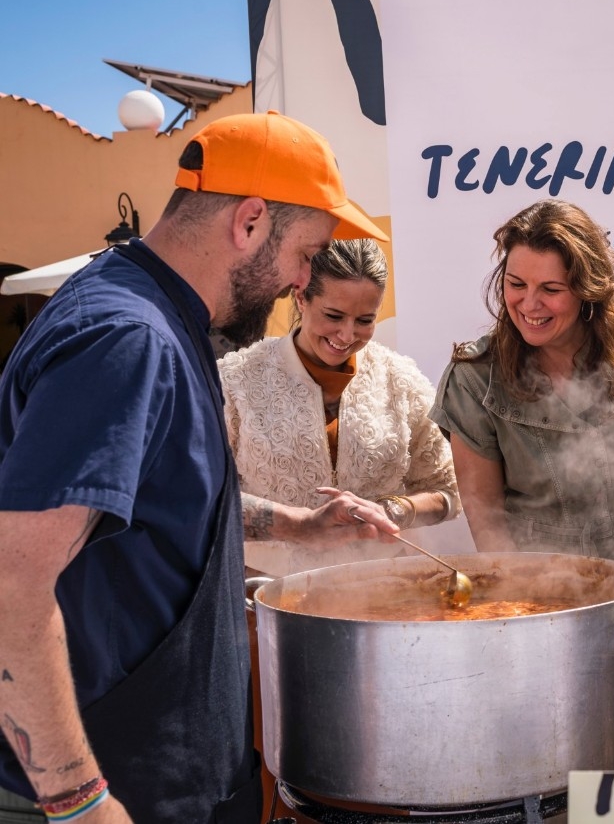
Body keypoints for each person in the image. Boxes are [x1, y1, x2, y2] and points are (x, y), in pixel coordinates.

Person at [0, 111, 386, 822]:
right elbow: (14, 581)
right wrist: (78, 799)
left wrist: (297, 524)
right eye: (307, 253)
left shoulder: (166, 320)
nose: (302, 279)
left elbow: (157, 499)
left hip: (174, 783)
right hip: (114, 791)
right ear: (249, 222)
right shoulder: (126, 337)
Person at [429, 198, 614, 770]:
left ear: (588, 288)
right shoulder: (475, 377)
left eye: (551, 288)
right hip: (537, 602)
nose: (529, 304)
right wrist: (530, 619)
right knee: (551, 779)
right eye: (517, 284)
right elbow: (488, 522)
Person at [220, 237, 459, 575]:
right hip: (266, 593)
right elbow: (200, 498)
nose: (347, 335)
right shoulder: (237, 381)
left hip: (382, 592)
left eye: (365, 320)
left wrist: (394, 510)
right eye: (334, 315)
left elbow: (448, 493)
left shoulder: (400, 380)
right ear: (301, 297)